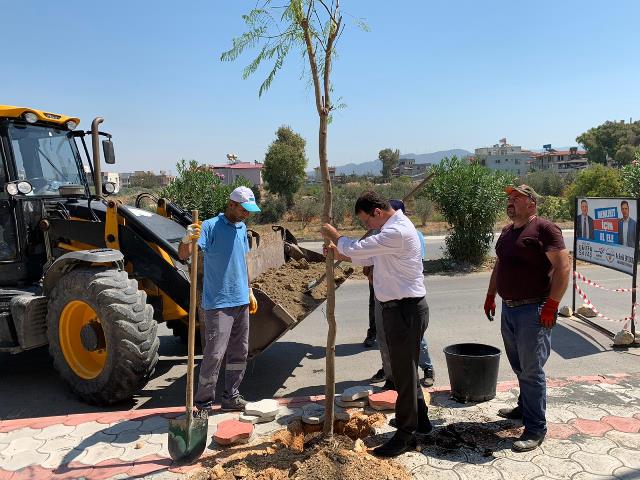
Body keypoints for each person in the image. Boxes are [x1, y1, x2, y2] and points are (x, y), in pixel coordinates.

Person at [322, 191, 432, 457]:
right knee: (406, 371)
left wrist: (334, 234)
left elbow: (358, 249)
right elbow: (365, 257)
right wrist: (340, 252)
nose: (366, 227)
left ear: (377, 212)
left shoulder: (397, 232)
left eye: (365, 221)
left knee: (403, 375)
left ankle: (406, 435)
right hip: (400, 310)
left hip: (405, 311)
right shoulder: (390, 232)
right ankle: (422, 420)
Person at [484, 184, 570, 452]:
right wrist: (490, 295)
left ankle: (535, 428)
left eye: (516, 198)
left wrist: (552, 305)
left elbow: (563, 267)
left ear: (531, 203)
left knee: (532, 370)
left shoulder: (545, 229)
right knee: (520, 365)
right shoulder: (508, 232)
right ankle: (524, 408)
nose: (510, 202)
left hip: (534, 310)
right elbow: (500, 264)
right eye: (509, 198)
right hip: (509, 308)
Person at [178, 186, 260, 412]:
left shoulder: (242, 228)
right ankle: (203, 404)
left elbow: (243, 261)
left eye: (249, 211)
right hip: (218, 304)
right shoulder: (210, 226)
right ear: (232, 204)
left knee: (239, 353)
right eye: (244, 209)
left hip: (241, 300)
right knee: (214, 355)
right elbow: (184, 254)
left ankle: (231, 397)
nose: (247, 214)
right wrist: (187, 238)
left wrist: (249, 289)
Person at [369, 199, 435, 388]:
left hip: (406, 297)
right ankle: (391, 374)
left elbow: (410, 262)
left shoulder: (409, 233)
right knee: (385, 337)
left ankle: (426, 368)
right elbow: (369, 258)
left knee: (415, 341)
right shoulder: (379, 233)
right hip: (384, 294)